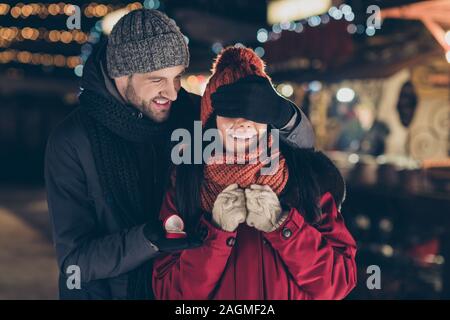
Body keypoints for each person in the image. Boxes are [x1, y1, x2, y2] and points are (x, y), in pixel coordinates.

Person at [45, 9, 315, 299]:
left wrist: (285, 115)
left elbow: (301, 156)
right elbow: (74, 263)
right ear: (121, 74)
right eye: (157, 79)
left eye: (177, 77)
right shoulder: (72, 141)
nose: (173, 93)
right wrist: (147, 239)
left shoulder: (193, 114)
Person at [152, 47, 357, 300]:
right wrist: (215, 235)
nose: (243, 122)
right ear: (211, 121)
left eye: (255, 112)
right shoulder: (186, 181)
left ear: (269, 118)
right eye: (230, 111)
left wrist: (284, 227)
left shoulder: (304, 178)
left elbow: (339, 283)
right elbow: (169, 293)